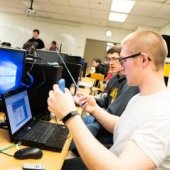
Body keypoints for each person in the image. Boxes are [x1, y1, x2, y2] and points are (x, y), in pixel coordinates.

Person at [48, 30, 170, 170]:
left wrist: (69, 115)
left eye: (123, 60)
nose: (121, 66)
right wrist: (95, 109)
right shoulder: (139, 98)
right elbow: (122, 126)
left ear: (143, 59)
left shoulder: (164, 112)